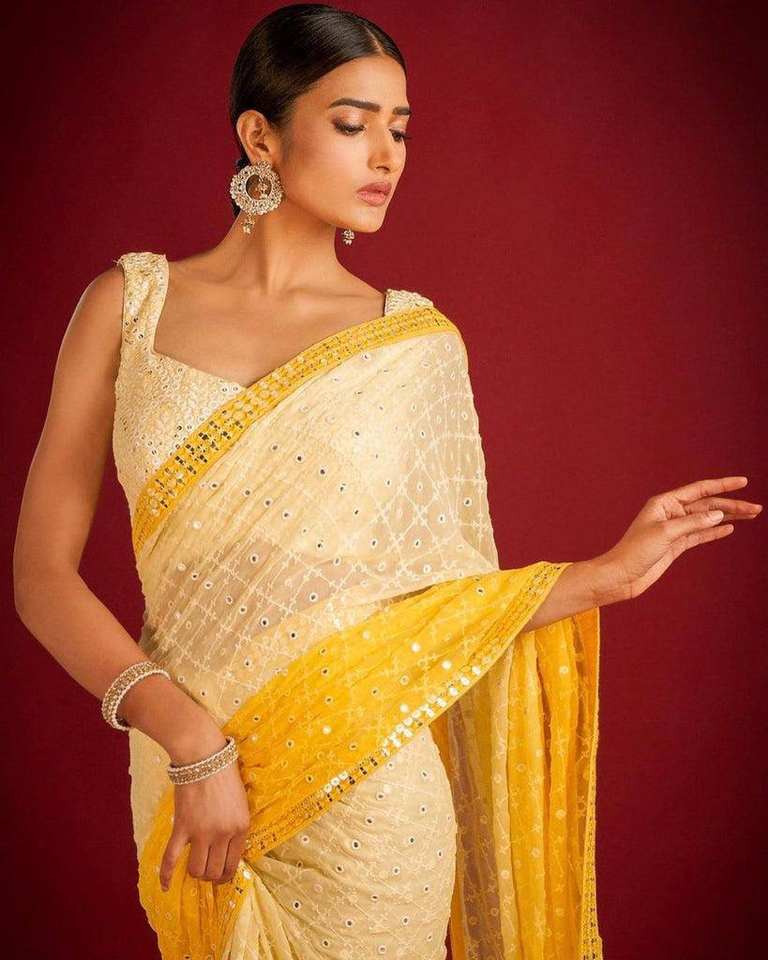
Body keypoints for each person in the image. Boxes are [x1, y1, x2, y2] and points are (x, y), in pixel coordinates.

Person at [13, 4, 762, 959]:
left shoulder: (413, 345)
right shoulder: (128, 305)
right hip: (187, 779)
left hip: (367, 795)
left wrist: (604, 576)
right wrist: (187, 736)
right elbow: (41, 576)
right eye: (352, 123)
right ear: (261, 136)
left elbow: (442, 608)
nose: (387, 157)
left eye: (400, 131)